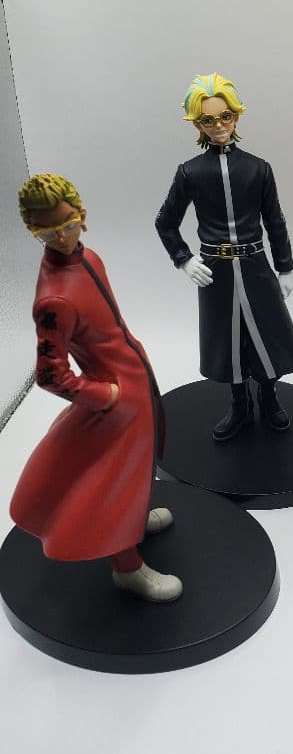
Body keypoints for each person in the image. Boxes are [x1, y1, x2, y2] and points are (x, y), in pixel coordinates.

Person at [13, 174, 182, 601]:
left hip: (135, 382)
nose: (62, 237)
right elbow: (49, 374)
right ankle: (127, 568)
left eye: (69, 224)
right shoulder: (54, 299)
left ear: (81, 213)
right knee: (110, 487)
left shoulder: (90, 259)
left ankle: (134, 522)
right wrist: (103, 396)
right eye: (48, 232)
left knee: (137, 470)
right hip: (113, 401)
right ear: (33, 230)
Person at [156, 73, 293, 441]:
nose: (219, 125)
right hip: (215, 270)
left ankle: (269, 395)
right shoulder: (190, 172)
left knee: (268, 334)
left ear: (236, 116)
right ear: (197, 124)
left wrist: (285, 266)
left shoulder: (258, 168)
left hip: (255, 267)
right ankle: (240, 404)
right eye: (208, 120)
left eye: (225, 117)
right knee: (226, 340)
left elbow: (275, 221)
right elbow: (165, 222)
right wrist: (184, 259)